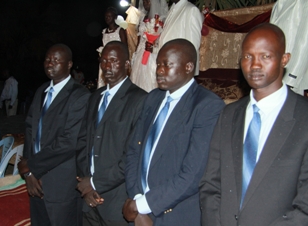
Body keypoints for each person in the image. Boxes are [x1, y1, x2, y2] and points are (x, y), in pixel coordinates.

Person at [199, 23, 308, 225]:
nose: (255, 65)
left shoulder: (303, 117)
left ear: (284, 59)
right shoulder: (229, 114)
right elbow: (211, 184)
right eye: (248, 57)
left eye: (265, 56)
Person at [123, 39, 224, 226]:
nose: (159, 70)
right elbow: (133, 151)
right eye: (159, 64)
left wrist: (144, 205)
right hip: (138, 209)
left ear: (188, 67)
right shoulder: (153, 98)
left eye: (168, 65)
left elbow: (193, 174)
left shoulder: (206, 106)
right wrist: (136, 197)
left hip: (174, 214)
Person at [76, 41, 147, 226]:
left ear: (127, 65)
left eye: (114, 61)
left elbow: (132, 156)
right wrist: (87, 184)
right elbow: (83, 142)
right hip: (89, 200)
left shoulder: (140, 99)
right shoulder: (95, 97)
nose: (107, 66)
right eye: (104, 61)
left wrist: (95, 183)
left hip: (116, 202)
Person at [18, 44, 90, 226]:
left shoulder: (80, 95)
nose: (51, 64)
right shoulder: (41, 91)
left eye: (57, 60)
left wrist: (31, 166)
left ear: (69, 64)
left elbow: (68, 142)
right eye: (48, 59)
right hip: (35, 182)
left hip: (60, 183)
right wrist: (29, 174)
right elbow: (30, 130)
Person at [270, 0, 308, 95]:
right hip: (276, 72)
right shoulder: (279, 3)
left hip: (293, 75)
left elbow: (303, 42)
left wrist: (291, 78)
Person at [130, 0, 168, 92]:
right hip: (141, 52)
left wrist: (153, 47)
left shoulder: (159, 18)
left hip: (152, 53)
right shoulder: (142, 17)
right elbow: (139, 37)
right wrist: (135, 53)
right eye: (144, 1)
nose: (145, 4)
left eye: (147, 1)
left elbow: (161, 38)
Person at [158, 0, 203, 76]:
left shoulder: (191, 10)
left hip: (180, 72)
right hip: (168, 69)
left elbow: (192, 46)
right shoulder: (173, 9)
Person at [97, 7, 128, 89]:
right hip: (105, 61)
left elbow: (125, 47)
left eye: (109, 16)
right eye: (106, 16)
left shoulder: (120, 30)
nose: (107, 18)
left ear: (114, 17)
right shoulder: (104, 31)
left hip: (115, 62)